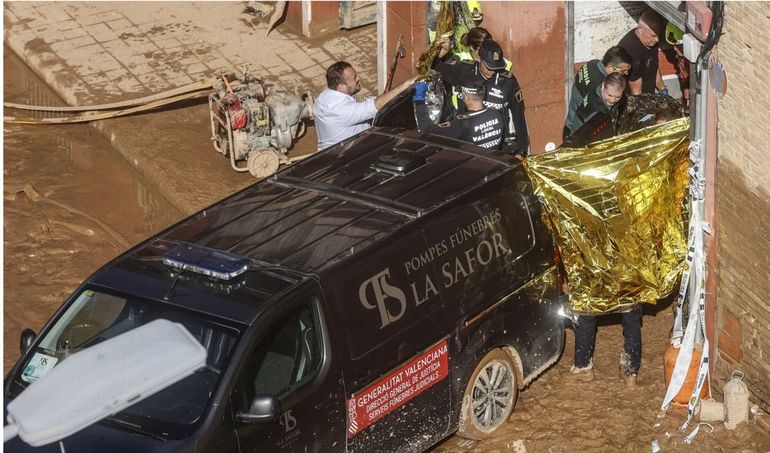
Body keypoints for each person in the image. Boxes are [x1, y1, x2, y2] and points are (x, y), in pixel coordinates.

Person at [433, 40, 529, 157]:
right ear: (479, 58)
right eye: (489, 66)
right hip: (467, 143)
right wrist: (441, 53)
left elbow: (519, 117)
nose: (492, 71)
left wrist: (521, 150)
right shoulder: (463, 70)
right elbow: (434, 70)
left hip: (498, 146)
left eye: (496, 67)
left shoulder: (508, 81)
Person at [315, 61, 415, 151]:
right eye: (354, 78)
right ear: (342, 87)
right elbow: (377, 105)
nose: (358, 78)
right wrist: (407, 84)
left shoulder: (324, 97)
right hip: (347, 157)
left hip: (332, 153)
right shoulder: (341, 110)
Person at [413, 74, 504, 150]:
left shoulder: (463, 124)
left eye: (462, 94)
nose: (461, 96)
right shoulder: (496, 114)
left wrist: (419, 100)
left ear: (467, 98)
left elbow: (427, 131)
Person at [563, 46, 632, 140]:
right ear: (610, 68)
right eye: (623, 71)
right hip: (578, 130)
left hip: (571, 119)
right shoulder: (599, 87)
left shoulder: (593, 63)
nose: (626, 73)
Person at [564, 72, 628, 144]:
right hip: (582, 138)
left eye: (617, 97)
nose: (612, 100)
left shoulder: (597, 88)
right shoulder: (598, 111)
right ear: (603, 86)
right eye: (610, 95)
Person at [617, 9, 668, 96]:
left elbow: (654, 65)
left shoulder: (650, 41)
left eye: (658, 35)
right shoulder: (631, 51)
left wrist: (662, 89)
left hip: (648, 93)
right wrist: (642, 103)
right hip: (633, 96)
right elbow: (636, 91)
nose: (657, 39)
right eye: (653, 36)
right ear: (641, 30)